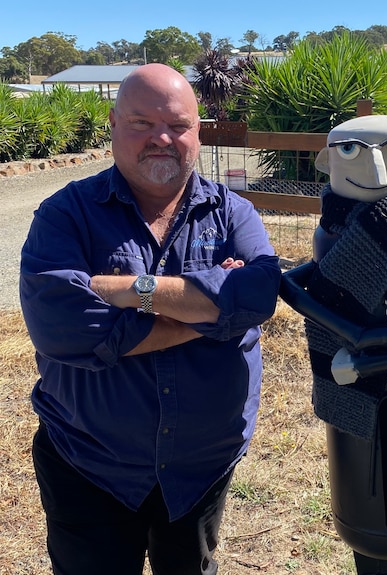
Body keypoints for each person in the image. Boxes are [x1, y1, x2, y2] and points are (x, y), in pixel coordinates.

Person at [19, 63, 282, 574]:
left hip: (201, 465)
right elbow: (63, 325)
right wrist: (208, 310)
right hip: (88, 461)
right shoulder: (65, 214)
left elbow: (254, 297)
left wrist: (121, 291)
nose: (162, 138)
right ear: (113, 124)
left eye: (179, 125)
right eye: (142, 123)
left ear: (198, 133)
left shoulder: (236, 214)